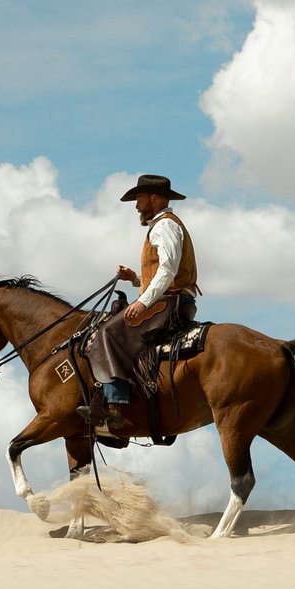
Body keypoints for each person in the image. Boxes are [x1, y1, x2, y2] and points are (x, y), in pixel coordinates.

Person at [84, 172, 199, 434]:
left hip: (168, 303)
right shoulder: (163, 225)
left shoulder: (164, 226)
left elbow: (168, 272)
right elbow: (162, 272)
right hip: (169, 299)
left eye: (139, 199)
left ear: (155, 198)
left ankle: (116, 405)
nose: (136, 206)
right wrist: (135, 279)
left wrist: (143, 302)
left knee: (107, 334)